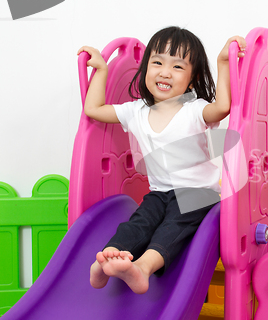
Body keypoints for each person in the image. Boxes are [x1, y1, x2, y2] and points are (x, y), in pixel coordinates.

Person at [78, 26, 246, 294]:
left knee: (174, 225)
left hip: (198, 195)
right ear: (145, 70)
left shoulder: (195, 109)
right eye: (157, 62)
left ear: (192, 80)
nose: (165, 72)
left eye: (178, 67)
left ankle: (143, 268)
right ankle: (108, 258)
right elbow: (93, 109)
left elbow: (223, 107)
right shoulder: (136, 111)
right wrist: (102, 70)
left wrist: (223, 62)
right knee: (139, 221)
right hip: (159, 193)